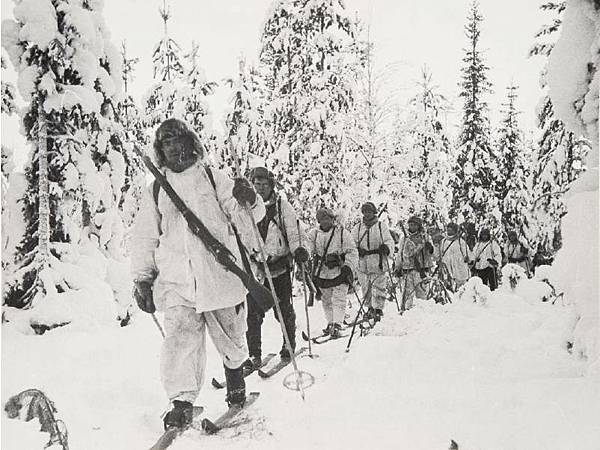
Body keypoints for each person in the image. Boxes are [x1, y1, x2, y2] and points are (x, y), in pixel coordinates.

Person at [130, 118, 265, 430]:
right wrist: (142, 278)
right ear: (160, 150)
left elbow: (247, 214)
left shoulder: (212, 178)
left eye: (179, 139)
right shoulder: (156, 190)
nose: (174, 146)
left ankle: (235, 383)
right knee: (179, 342)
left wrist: (250, 199)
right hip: (176, 280)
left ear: (191, 141)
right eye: (166, 142)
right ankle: (181, 402)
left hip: (218, 275)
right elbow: (145, 236)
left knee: (230, 335)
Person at [244, 167, 309, 369]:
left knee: (283, 309)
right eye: (257, 184)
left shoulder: (281, 206)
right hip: (256, 269)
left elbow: (294, 230)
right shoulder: (245, 206)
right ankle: (254, 353)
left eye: (264, 184)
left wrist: (299, 249)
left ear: (271, 186)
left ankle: (288, 344)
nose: (261, 188)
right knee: (253, 313)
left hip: (279, 265)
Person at [309, 208, 358, 338]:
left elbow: (352, 251)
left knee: (339, 298)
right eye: (323, 219)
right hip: (322, 271)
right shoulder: (314, 234)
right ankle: (330, 322)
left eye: (328, 218)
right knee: (326, 299)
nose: (326, 222)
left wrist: (348, 266)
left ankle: (337, 324)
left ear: (332, 219)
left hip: (339, 270)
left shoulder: (342, 233)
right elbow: (308, 248)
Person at [351, 202, 395, 322]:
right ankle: (370, 308)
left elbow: (389, 241)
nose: (367, 214)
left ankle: (378, 309)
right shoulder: (358, 228)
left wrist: (386, 247)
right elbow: (351, 243)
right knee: (366, 287)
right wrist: (357, 250)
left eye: (369, 211)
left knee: (379, 286)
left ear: (374, 212)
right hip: (363, 262)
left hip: (377, 260)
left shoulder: (381, 226)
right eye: (365, 211)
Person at [394, 215, 432, 310]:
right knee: (407, 294)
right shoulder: (404, 238)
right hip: (408, 270)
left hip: (422, 270)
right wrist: (398, 267)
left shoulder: (425, 237)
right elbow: (400, 254)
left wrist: (430, 248)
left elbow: (432, 253)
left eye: (414, 225)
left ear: (419, 226)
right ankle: (407, 311)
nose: (412, 227)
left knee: (422, 293)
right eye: (410, 225)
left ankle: (423, 311)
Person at [439, 222, 471, 290]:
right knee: (447, 287)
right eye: (448, 229)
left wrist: (467, 258)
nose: (449, 231)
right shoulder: (443, 241)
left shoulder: (460, 241)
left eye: (451, 230)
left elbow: (467, 253)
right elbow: (440, 253)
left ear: (455, 231)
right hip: (447, 267)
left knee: (461, 287)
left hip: (459, 267)